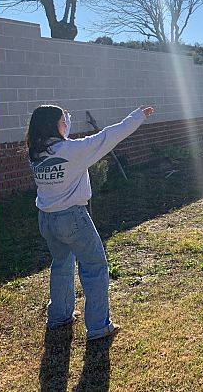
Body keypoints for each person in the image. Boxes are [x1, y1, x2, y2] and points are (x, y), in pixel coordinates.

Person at [26, 104, 154, 340]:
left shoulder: (34, 152)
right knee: (95, 268)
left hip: (47, 219)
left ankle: (60, 315)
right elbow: (108, 136)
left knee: (61, 263)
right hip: (73, 218)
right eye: (63, 121)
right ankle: (98, 326)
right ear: (54, 126)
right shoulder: (72, 150)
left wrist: (66, 119)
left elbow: (64, 141)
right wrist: (137, 117)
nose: (66, 125)